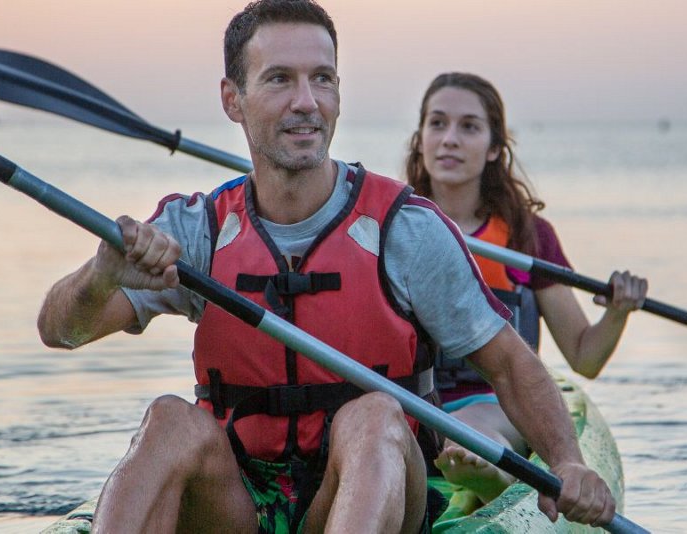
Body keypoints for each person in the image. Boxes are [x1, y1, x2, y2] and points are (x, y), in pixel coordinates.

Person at [36, 2, 616, 532]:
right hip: (239, 499)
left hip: (372, 484)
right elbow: (62, 332)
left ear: (338, 94)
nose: (306, 101)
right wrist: (102, 273)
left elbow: (512, 367)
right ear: (232, 99)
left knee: (374, 416)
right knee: (168, 420)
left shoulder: (404, 228)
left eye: (322, 79)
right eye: (279, 79)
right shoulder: (197, 228)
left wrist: (567, 461)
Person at [404, 72, 649, 505]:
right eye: (437, 123)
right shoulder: (396, 227)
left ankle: (492, 474)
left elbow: (584, 356)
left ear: (496, 147)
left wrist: (618, 312)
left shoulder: (527, 237)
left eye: (470, 127)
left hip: (500, 403)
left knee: (475, 426)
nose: (450, 139)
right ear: (420, 137)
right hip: (420, 404)